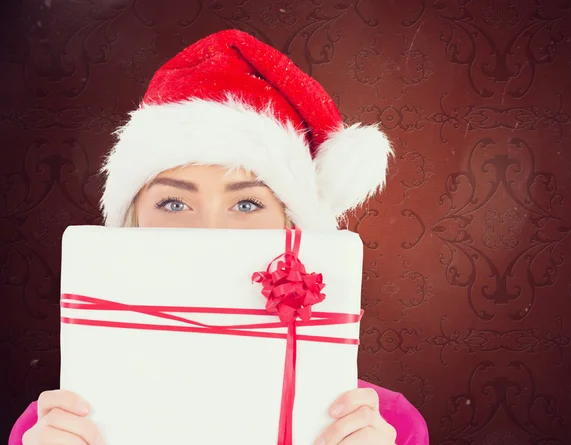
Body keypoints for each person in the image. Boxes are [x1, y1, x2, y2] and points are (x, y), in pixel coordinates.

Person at [8, 29, 429, 445]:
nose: (209, 231)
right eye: (174, 203)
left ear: (292, 228)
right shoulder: (57, 428)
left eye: (246, 204)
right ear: (132, 223)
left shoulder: (383, 427)